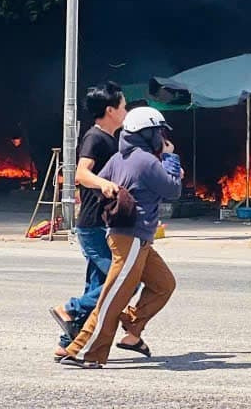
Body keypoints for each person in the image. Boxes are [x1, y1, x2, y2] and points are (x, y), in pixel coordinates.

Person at [61, 107, 184, 368]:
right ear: (147, 134)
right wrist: (170, 158)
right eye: (159, 132)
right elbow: (173, 190)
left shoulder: (119, 158)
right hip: (132, 238)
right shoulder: (147, 160)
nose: (162, 138)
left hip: (133, 238)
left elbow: (98, 186)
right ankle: (83, 351)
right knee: (112, 297)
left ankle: (132, 325)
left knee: (163, 284)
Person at [50, 81, 126, 360]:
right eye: (123, 106)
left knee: (96, 286)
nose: (126, 110)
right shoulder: (95, 137)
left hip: (103, 223)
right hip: (93, 225)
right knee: (123, 280)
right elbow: (81, 174)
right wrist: (103, 183)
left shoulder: (112, 139)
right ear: (110, 110)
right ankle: (69, 309)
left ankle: (67, 344)